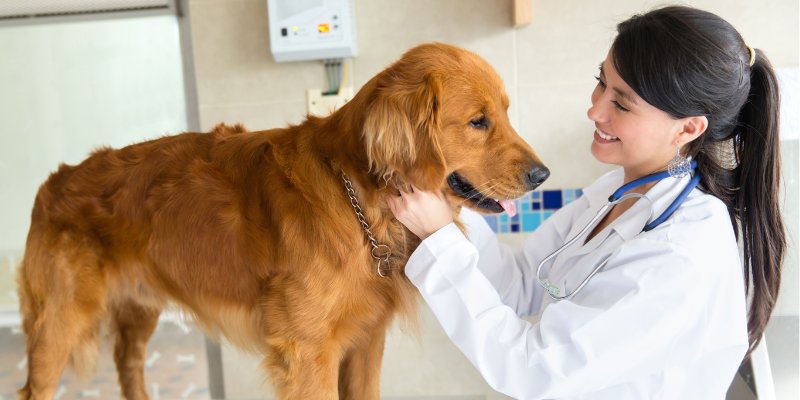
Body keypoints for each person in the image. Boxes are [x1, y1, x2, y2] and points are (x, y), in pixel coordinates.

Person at [386, 6, 785, 399]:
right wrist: (450, 197)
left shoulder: (682, 253)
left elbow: (530, 369)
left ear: (689, 128)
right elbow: (522, 283)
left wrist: (440, 236)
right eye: (601, 81)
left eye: (622, 103)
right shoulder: (619, 190)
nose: (594, 109)